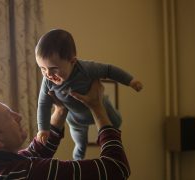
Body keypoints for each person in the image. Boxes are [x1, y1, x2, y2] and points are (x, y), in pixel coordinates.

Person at [0, 80, 130, 179]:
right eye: (9, 116)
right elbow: (116, 168)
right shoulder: (29, 172)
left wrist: (60, 111)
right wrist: (98, 108)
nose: (18, 116)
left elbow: (35, 152)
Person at [36, 28, 143, 159]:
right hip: (76, 119)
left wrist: (131, 81)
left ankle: (104, 140)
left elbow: (109, 70)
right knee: (80, 144)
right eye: (42, 68)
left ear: (72, 62)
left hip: (101, 106)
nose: (48, 74)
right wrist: (43, 128)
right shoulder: (47, 81)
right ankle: (77, 161)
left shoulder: (85, 69)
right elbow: (43, 104)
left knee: (116, 122)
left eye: (54, 69)